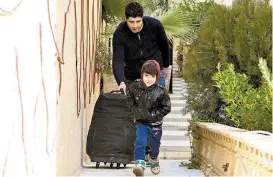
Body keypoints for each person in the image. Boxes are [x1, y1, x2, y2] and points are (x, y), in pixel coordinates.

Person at [112, 2, 172, 92]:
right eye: (131, 22)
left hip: (155, 74)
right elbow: (118, 59)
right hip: (132, 77)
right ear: (126, 19)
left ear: (142, 18)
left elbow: (164, 46)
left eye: (138, 21)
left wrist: (167, 65)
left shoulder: (155, 25)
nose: (135, 26)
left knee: (156, 104)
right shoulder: (120, 33)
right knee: (134, 106)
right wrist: (121, 82)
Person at [127, 60, 171, 176]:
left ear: (157, 77)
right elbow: (129, 99)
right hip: (141, 122)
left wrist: (154, 115)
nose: (149, 79)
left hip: (155, 124)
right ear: (142, 74)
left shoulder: (160, 91)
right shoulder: (135, 86)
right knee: (140, 142)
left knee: (154, 145)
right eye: (146, 75)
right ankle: (140, 164)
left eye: (152, 76)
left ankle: (154, 159)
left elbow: (166, 107)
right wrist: (135, 112)